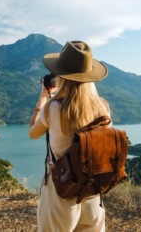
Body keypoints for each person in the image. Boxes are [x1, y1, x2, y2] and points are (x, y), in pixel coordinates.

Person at [29, 41, 110, 232]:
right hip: (92, 192)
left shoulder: (54, 108)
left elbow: (33, 132)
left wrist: (43, 96)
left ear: (61, 76)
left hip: (61, 191)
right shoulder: (103, 107)